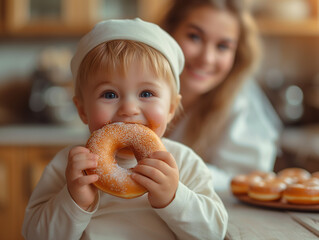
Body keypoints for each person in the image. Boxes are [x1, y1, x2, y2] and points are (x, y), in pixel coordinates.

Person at [22, 18, 228, 240]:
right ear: (82, 110)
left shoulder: (184, 163)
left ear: (170, 108)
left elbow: (215, 233)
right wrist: (73, 200)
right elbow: (34, 234)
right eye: (109, 94)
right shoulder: (69, 167)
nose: (129, 109)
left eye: (146, 93)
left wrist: (174, 197)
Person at [161, 0, 282, 190]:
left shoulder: (240, 107)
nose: (207, 58)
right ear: (168, 32)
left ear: (237, 55)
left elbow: (243, 182)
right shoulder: (128, 88)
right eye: (194, 37)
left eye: (223, 46)